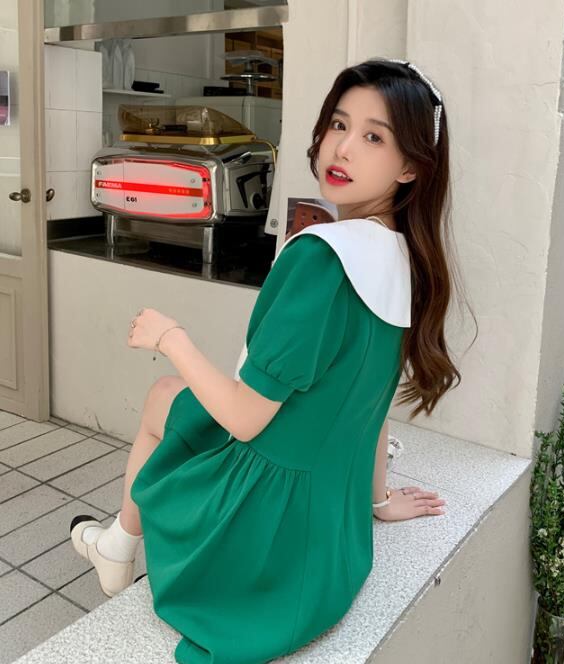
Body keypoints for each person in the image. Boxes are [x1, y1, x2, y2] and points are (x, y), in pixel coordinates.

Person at [69, 57, 477, 663]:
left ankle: (117, 546)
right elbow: (369, 409)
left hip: (263, 551)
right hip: (330, 551)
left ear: (411, 166)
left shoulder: (321, 259)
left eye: (374, 137)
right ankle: (117, 546)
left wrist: (170, 335)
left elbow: (245, 419)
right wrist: (377, 502)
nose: (343, 148)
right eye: (339, 124)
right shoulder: (407, 262)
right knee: (166, 398)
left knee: (165, 392)